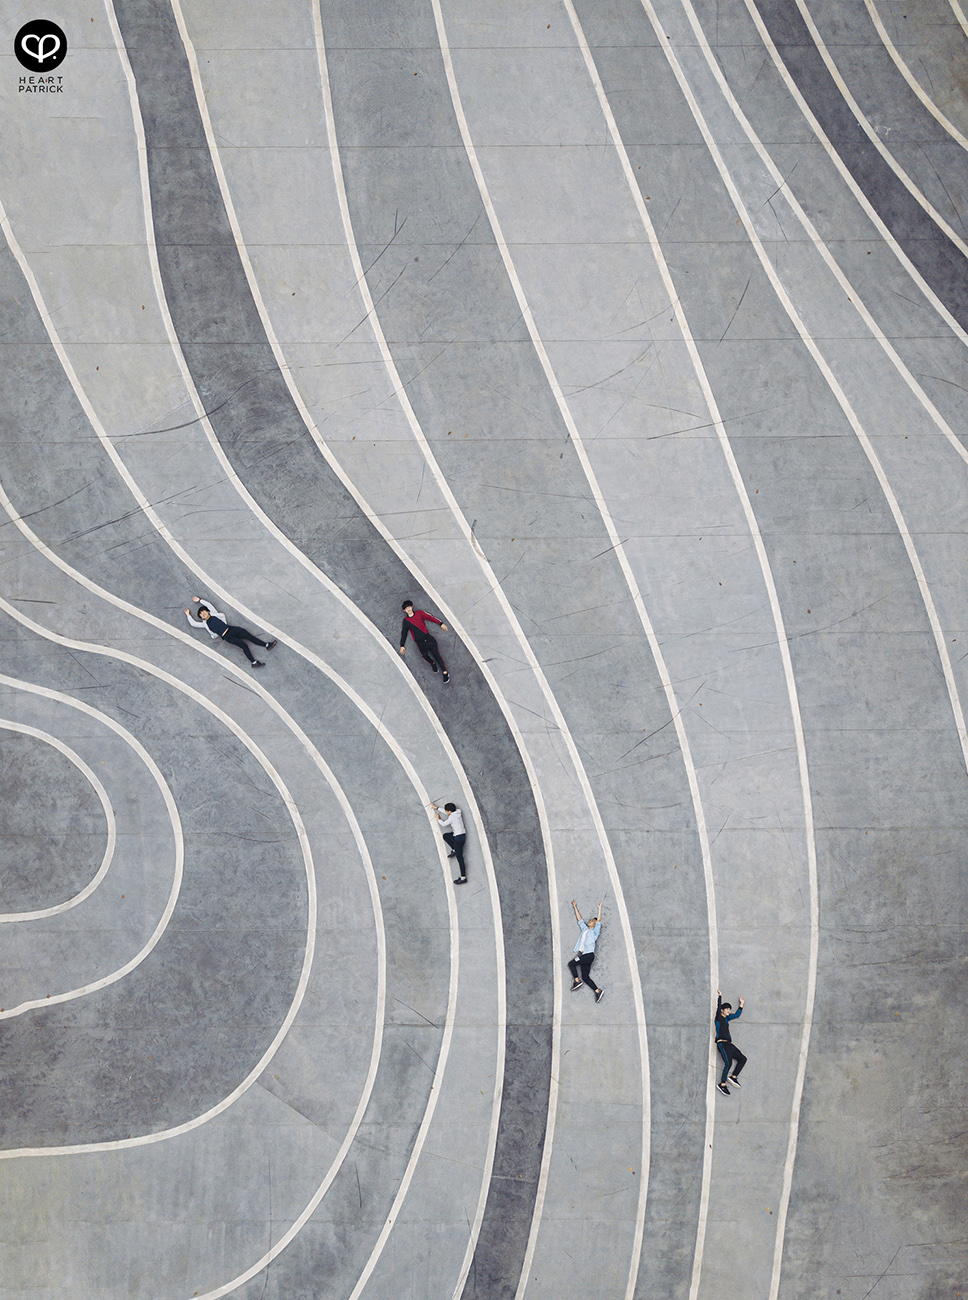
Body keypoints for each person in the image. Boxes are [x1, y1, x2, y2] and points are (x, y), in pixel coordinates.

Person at [185, 596, 277, 667]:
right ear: (201, 618)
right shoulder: (205, 624)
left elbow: (209, 605)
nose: (203, 614)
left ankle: (267, 645)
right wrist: (188, 615)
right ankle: (254, 662)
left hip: (231, 629)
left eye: (204, 611)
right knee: (244, 645)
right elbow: (194, 624)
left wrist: (199, 600)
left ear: (208, 611)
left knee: (249, 636)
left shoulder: (214, 614)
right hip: (227, 637)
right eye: (201, 614)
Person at [399, 600, 449, 682]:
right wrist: (402, 645)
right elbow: (404, 633)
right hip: (420, 642)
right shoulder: (406, 621)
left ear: (412, 607)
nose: (408, 609)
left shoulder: (419, 613)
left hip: (428, 638)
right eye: (406, 609)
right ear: (404, 611)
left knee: (436, 655)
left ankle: (445, 672)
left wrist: (440, 623)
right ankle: (432, 663)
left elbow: (430, 617)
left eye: (409, 607)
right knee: (425, 656)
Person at [567, 899, 604, 1002]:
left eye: (592, 921)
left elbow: (599, 921)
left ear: (594, 924)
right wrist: (575, 907)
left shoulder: (595, 932)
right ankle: (598, 991)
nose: (590, 921)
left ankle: (577, 981)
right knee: (586, 977)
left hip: (588, 955)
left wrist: (599, 909)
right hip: (586, 956)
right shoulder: (584, 929)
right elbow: (580, 920)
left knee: (571, 964)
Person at [714, 989, 747, 1096]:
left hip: (729, 1044)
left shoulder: (727, 1019)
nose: (729, 1011)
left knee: (743, 1059)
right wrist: (720, 996)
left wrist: (741, 1005)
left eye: (729, 1009)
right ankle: (722, 1084)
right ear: (722, 1010)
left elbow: (736, 1015)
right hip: (722, 1044)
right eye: (727, 1009)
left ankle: (733, 1077)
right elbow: (718, 1008)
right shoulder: (718, 1018)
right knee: (728, 1063)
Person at [432, 802, 467, 883]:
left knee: (460, 858)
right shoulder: (457, 812)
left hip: (458, 838)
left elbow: (444, 824)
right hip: (461, 835)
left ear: (450, 812)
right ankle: (454, 849)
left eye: (447, 811)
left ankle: (463, 878)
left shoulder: (451, 818)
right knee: (446, 836)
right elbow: (447, 812)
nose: (446, 812)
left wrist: (438, 819)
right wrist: (437, 808)